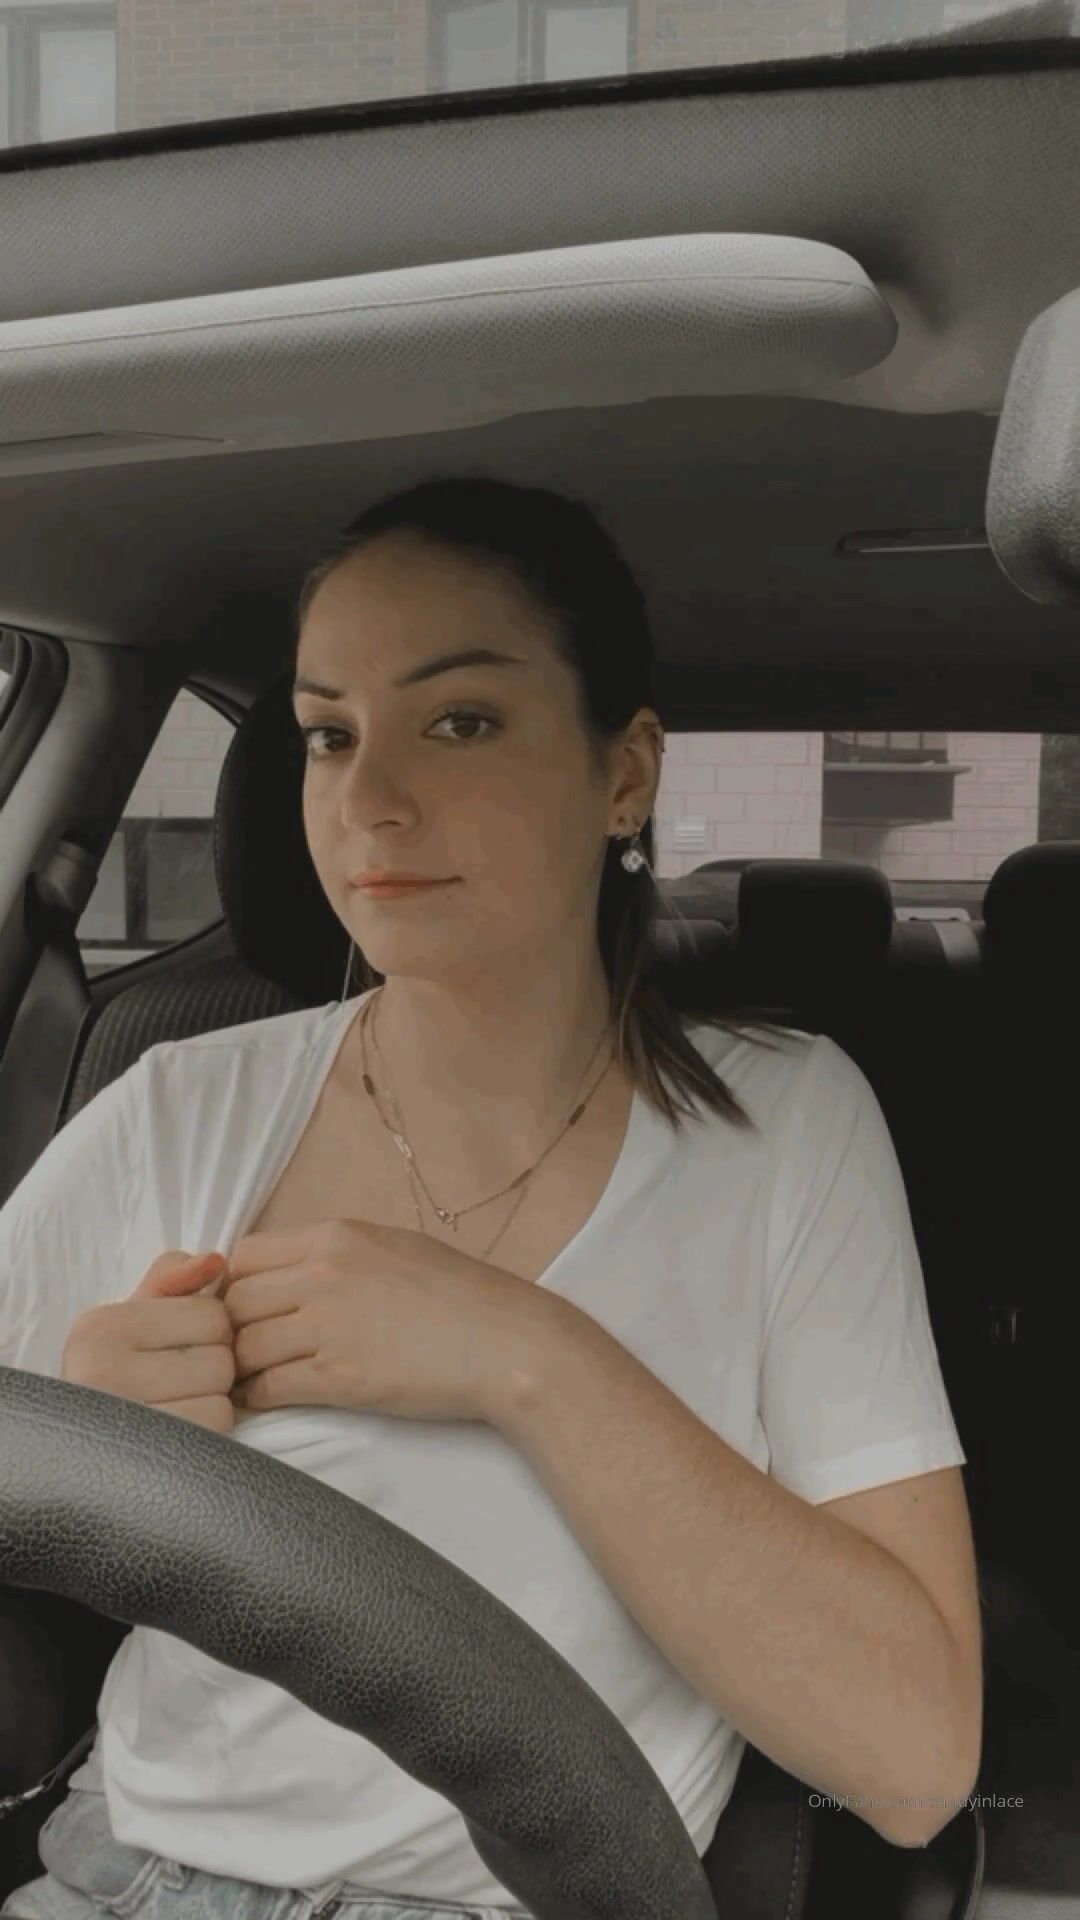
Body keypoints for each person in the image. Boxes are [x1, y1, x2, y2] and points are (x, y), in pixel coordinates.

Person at [0, 476, 974, 1920]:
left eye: (460, 721)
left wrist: (525, 1359)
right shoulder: (172, 1107)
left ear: (625, 776)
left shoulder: (787, 1124)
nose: (369, 801)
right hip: (121, 1883)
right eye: (329, 735)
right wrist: (86, 1439)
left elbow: (914, 1762)